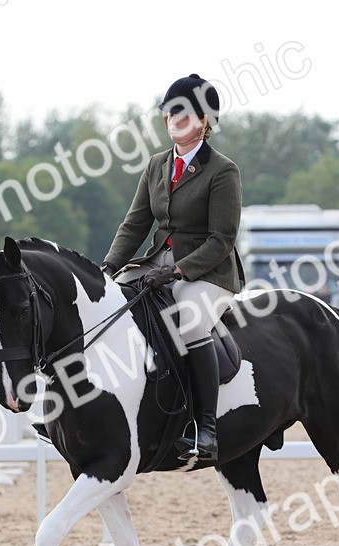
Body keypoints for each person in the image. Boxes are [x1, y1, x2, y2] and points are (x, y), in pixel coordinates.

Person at [101, 73, 245, 465]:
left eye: (183, 113)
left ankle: (205, 427)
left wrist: (180, 270)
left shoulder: (222, 171)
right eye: (169, 113)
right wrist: (109, 267)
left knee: (188, 319)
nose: (174, 120)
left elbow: (222, 238)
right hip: (155, 262)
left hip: (210, 271)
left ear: (205, 121)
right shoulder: (156, 165)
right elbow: (135, 224)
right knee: (107, 305)